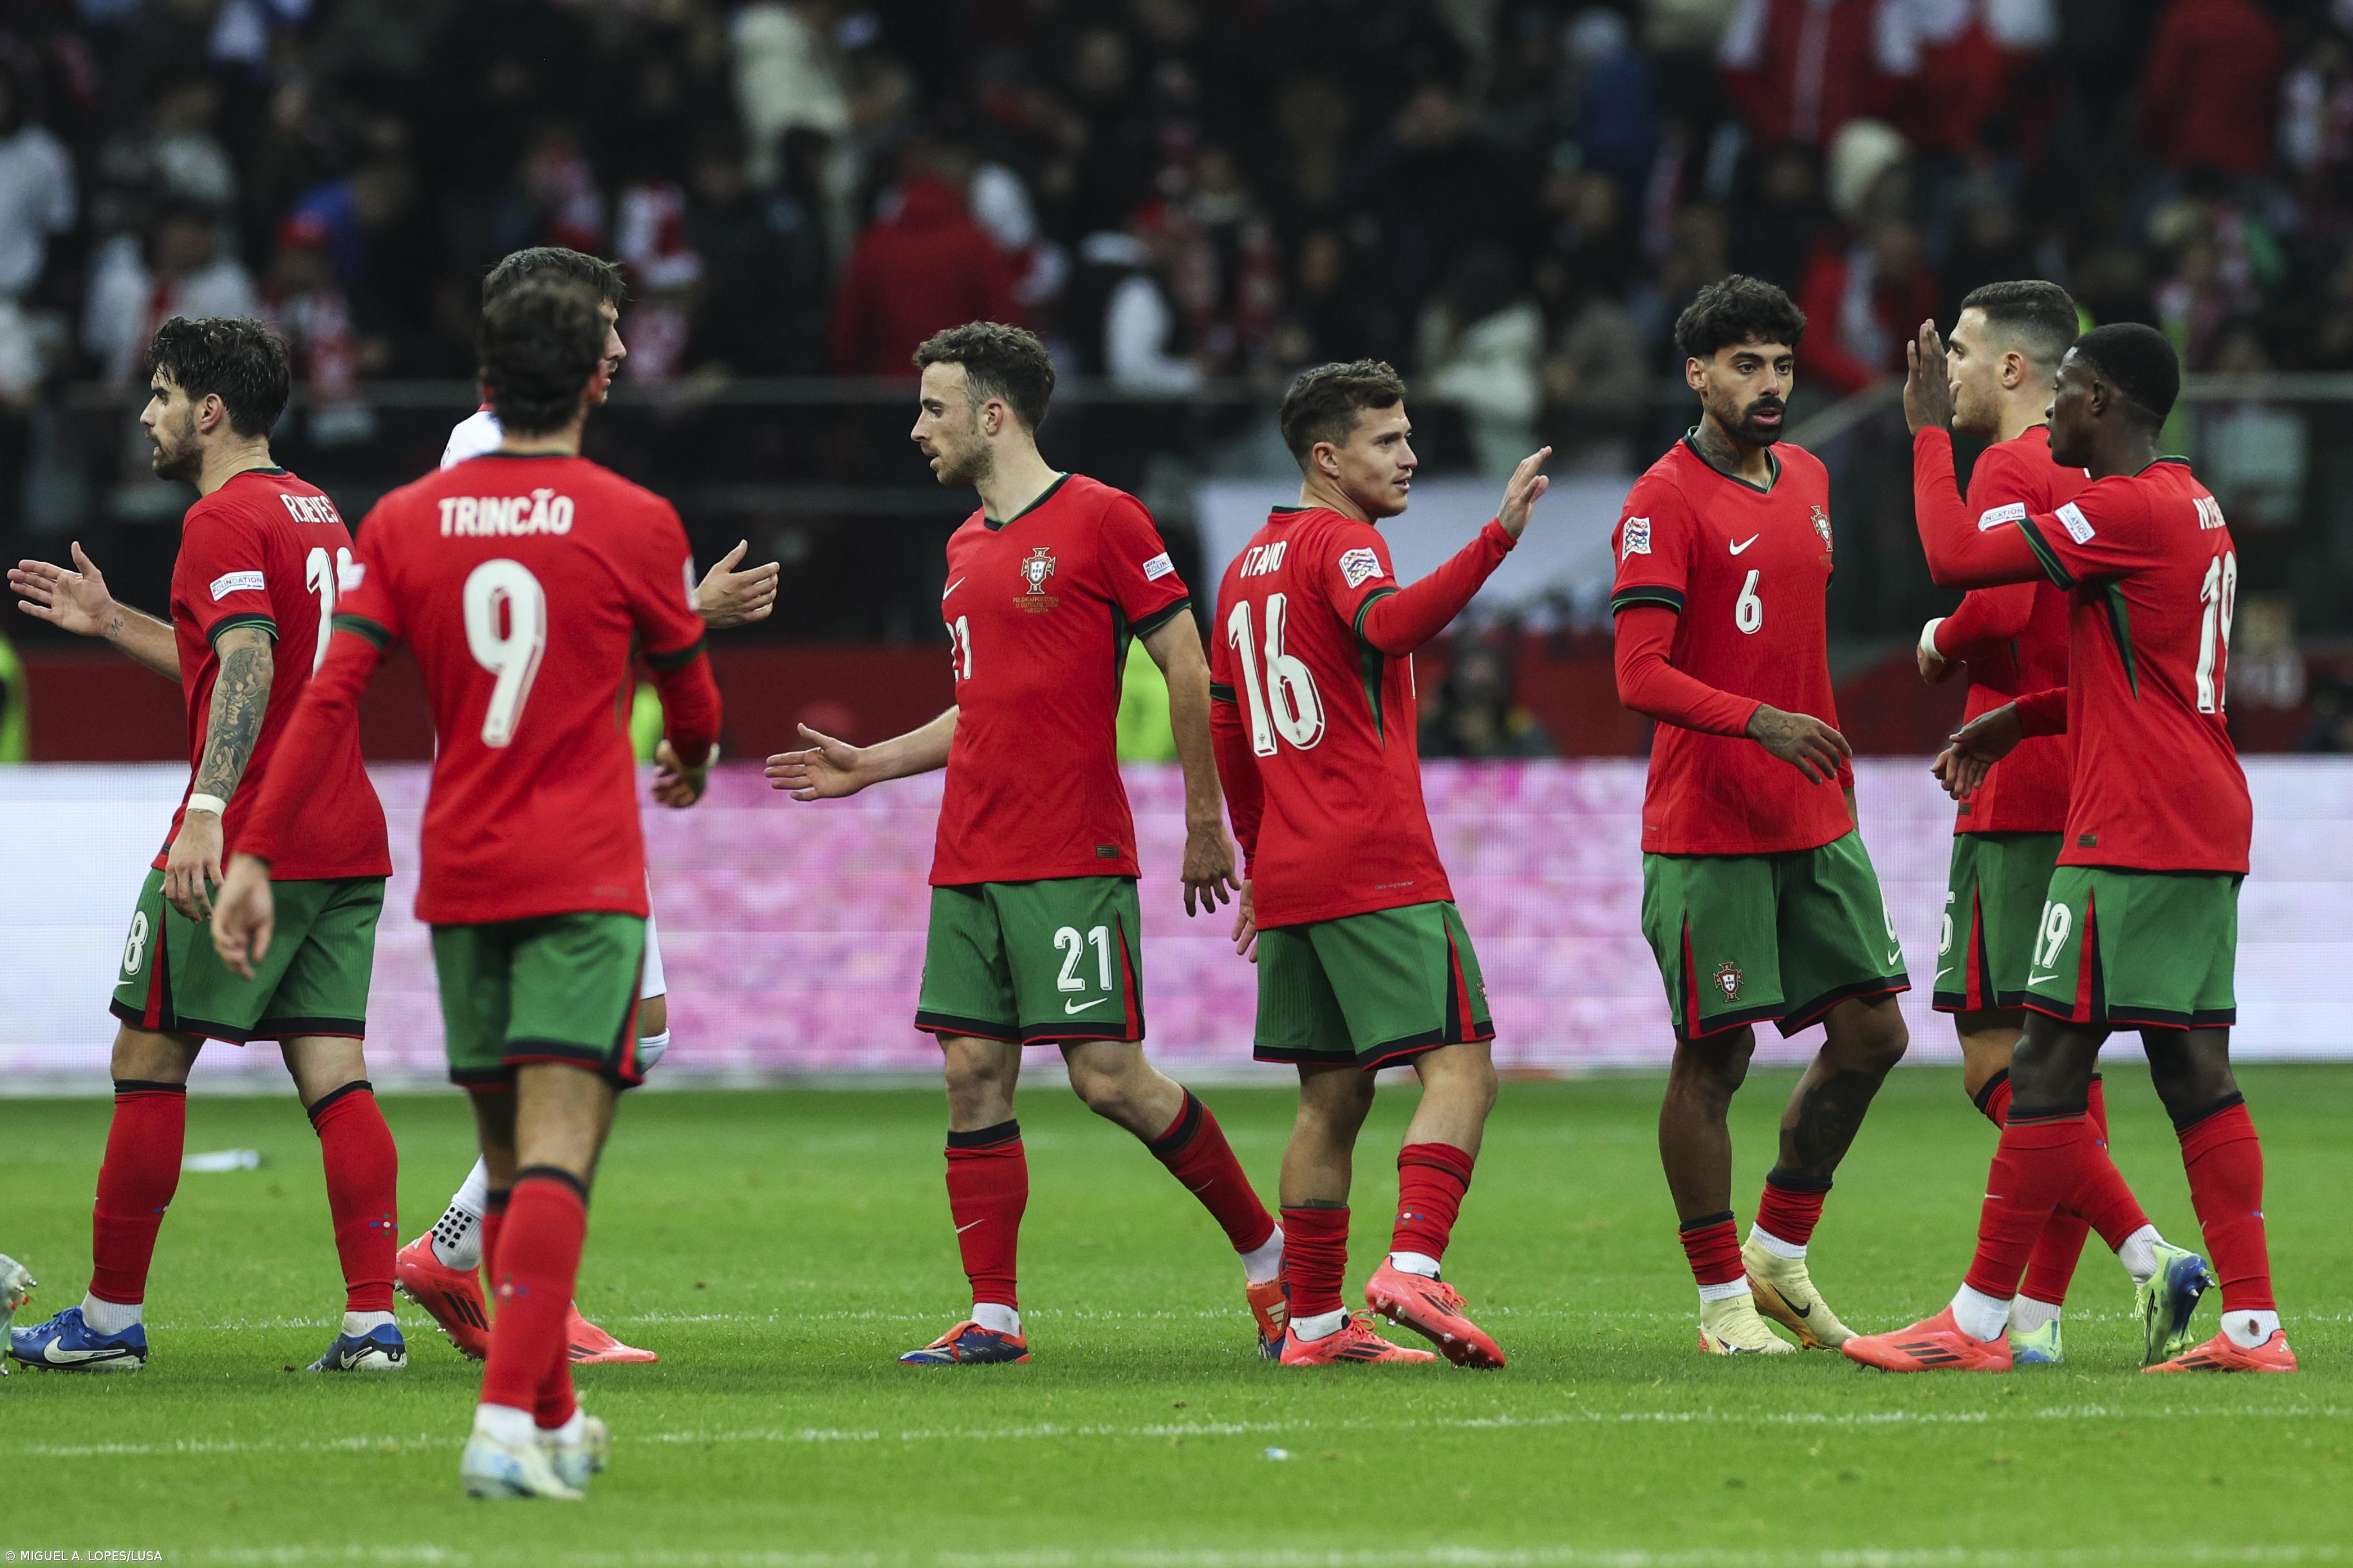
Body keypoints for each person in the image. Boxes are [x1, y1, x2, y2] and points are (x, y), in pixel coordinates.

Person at [213, 279, 723, 1494]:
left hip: (464, 874)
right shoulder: (639, 519)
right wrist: (692, 757)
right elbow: (694, 705)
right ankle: (505, 1420)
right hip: (586, 875)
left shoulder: (403, 521)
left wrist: (250, 850)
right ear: (594, 377)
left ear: (488, 375)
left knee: (503, 1143)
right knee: (557, 1151)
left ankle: (550, 1417)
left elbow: (329, 697)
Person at [765, 321, 1283, 1366]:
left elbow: (1188, 664)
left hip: (1068, 850)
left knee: (1108, 1078)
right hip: (970, 855)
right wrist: (872, 763)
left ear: (992, 414)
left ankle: (1272, 1261)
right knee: (971, 1074)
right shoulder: (963, 548)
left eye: (934, 408)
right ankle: (993, 1316)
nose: (918, 429)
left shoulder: (1102, 518)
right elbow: (982, 707)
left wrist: (1203, 819)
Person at [1843, 322, 2289, 1374]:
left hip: (2127, 826)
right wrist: (2022, 717)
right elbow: (2146, 677)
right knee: (2189, 1067)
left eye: (2075, 391)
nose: (2057, 411)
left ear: (2115, 402)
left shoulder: (2124, 507)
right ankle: (2254, 1327)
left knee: (2043, 1060)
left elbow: (1958, 559)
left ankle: (1980, 1323)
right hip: (2199, 811)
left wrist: (1922, 438)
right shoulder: (2194, 505)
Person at [396, 246, 777, 1367]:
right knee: (575, 1050)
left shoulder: (516, 460)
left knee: (636, 1036)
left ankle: (455, 1251)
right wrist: (684, 613)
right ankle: (526, 1315)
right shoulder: (490, 456)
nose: (620, 348)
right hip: (539, 805)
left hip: (565, 790)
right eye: (605, 326)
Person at [6, 318, 401, 1376]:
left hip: (254, 833)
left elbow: (250, 665)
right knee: (336, 1075)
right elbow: (255, 650)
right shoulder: (317, 510)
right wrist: (114, 621)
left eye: (162, 391)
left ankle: (103, 1322)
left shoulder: (220, 519)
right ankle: (372, 1324)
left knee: (146, 1060)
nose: (147, 412)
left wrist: (209, 807)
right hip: (344, 833)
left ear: (209, 411)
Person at [1211, 360, 1546, 1367]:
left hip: (1298, 877)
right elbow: (1390, 624)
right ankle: (1413, 1262)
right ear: (1327, 457)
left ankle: (1312, 1327)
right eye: (1387, 441)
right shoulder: (1342, 543)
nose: (1409, 456)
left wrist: (1263, 862)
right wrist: (1496, 540)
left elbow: (1232, 732)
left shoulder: (1243, 567)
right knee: (1464, 1068)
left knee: (1331, 1096)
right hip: (1375, 860)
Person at [1608, 275, 1911, 1356]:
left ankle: (1778, 1256)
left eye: (1782, 362)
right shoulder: (1661, 499)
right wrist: (1760, 721)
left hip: (1816, 819)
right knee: (1715, 1059)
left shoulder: (1814, 476)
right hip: (1707, 825)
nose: (1770, 382)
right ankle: (1718, 1302)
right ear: (1698, 374)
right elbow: (1637, 673)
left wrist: (1805, 741)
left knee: (1876, 1033)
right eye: (1746, 364)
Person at [1917, 281, 2210, 1365]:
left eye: (1958, 348)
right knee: (2062, 1063)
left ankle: (2140, 1253)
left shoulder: (2006, 467)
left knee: (2005, 1060)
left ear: (2011, 369)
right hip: (2085, 778)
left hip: (2025, 797)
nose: (1944, 368)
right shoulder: (2094, 475)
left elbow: (1986, 604)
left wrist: (1941, 640)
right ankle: (2036, 1319)